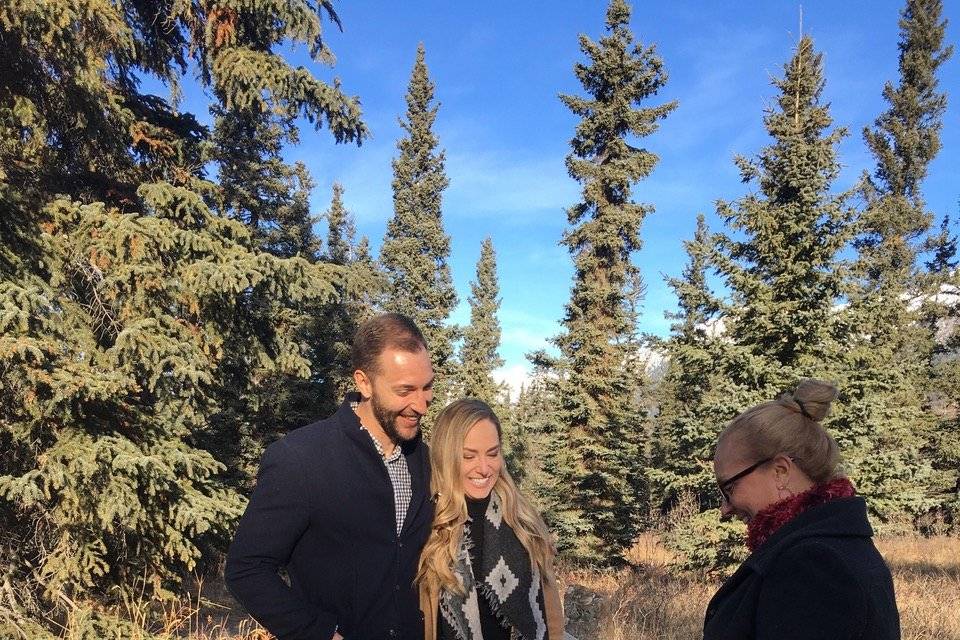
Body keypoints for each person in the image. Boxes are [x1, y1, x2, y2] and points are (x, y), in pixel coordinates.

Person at [225, 313, 436, 640]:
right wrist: (318, 633)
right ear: (364, 382)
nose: (421, 405)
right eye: (405, 390)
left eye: (427, 387)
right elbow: (247, 568)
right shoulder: (301, 459)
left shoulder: (425, 460)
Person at [703, 379, 901, 640]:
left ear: (780, 471)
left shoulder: (812, 565)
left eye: (728, 488)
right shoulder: (832, 545)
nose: (725, 509)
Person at [416, 399, 565, 640]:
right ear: (446, 457)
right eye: (469, 456)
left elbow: (551, 618)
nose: (484, 468)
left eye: (492, 453)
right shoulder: (428, 525)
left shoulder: (523, 521)